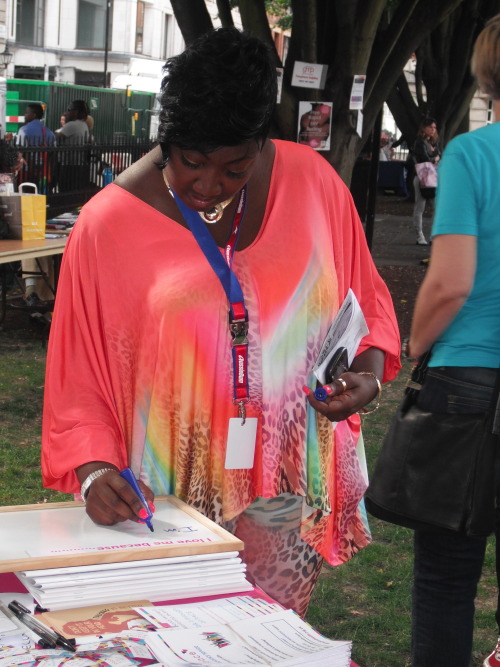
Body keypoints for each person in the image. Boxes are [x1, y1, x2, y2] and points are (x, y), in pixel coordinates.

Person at [41, 27, 400, 617]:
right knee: (173, 640)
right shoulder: (107, 226)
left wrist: (367, 374)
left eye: (234, 169)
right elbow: (79, 375)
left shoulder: (313, 184)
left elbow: (365, 300)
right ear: (166, 139)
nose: (209, 186)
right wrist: (94, 471)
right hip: (167, 500)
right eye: (191, 163)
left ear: (262, 142)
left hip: (289, 488)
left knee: (271, 640)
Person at [407, 15, 500, 667]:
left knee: (446, 574)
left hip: (469, 379)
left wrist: (415, 345)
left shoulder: (472, 154)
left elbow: (450, 284)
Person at [412, 117, 441, 245]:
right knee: (420, 206)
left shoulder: (432, 142)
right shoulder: (420, 142)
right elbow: (425, 158)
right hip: (422, 176)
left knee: (435, 206)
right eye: (430, 127)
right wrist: (435, 158)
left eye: (434, 127)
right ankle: (420, 235)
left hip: (432, 177)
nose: (433, 130)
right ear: (424, 128)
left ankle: (432, 236)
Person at [55, 100, 90, 192]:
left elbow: (56, 136)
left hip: (68, 165)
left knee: (64, 191)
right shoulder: (83, 125)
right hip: (78, 165)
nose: (67, 112)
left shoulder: (72, 125)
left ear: (76, 112)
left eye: (69, 109)